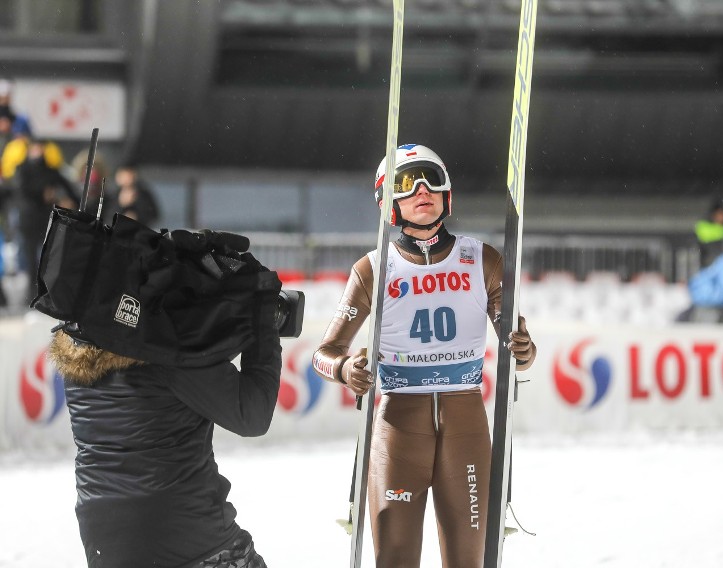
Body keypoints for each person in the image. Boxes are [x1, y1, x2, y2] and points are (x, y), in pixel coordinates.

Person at [312, 144, 537, 567]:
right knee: (395, 560)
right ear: (387, 200)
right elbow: (323, 354)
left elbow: (520, 350)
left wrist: (522, 349)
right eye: (405, 181)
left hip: (466, 425)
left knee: (467, 561)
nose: (421, 189)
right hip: (399, 426)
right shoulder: (373, 269)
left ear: (447, 191)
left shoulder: (482, 259)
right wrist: (344, 370)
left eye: (432, 177)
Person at [48, 286, 282, 565]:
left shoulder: (79, 341)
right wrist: (263, 324)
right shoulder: (170, 347)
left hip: (103, 536)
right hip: (186, 532)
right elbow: (252, 415)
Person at [13, 138, 77, 296]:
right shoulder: (22, 169)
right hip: (29, 220)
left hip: (45, 219)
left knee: (47, 256)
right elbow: (22, 191)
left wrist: (70, 201)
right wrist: (43, 193)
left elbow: (67, 187)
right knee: (30, 257)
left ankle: (45, 290)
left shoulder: (50, 170)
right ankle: (31, 292)